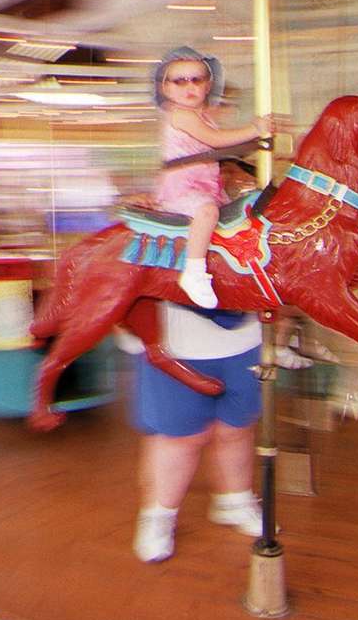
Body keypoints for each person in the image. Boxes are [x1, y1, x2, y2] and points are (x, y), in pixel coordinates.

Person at [117, 302, 277, 563]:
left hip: (244, 335)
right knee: (179, 436)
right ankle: (159, 514)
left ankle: (234, 500)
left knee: (236, 427)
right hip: (172, 341)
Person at [154, 46, 270, 308]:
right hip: (183, 189)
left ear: (208, 86)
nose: (189, 86)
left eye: (197, 79)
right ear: (166, 89)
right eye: (179, 81)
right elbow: (215, 140)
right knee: (207, 212)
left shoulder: (201, 115)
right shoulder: (180, 115)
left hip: (205, 185)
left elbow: (220, 147)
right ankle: (193, 272)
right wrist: (254, 129)